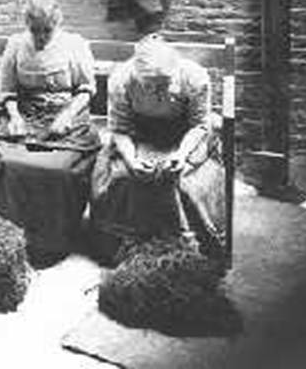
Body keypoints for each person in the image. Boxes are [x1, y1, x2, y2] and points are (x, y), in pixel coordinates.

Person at [0, 0, 101, 268]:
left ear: (57, 25)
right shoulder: (16, 45)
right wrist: (15, 116)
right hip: (26, 114)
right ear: (27, 25)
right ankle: (7, 237)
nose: (41, 36)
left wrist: (67, 115)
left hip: (67, 115)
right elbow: (7, 92)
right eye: (35, 30)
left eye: (47, 30)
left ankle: (50, 241)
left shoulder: (73, 45)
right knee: (5, 161)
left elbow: (87, 90)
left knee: (59, 168)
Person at [90, 34, 225, 265]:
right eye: (149, 86)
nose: (157, 92)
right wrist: (132, 159)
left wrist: (182, 155)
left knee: (182, 183)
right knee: (124, 178)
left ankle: (186, 252)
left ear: (174, 71)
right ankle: (132, 248)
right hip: (138, 134)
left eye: (164, 85)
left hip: (185, 134)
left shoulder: (194, 77)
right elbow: (120, 129)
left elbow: (199, 125)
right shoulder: (121, 79)